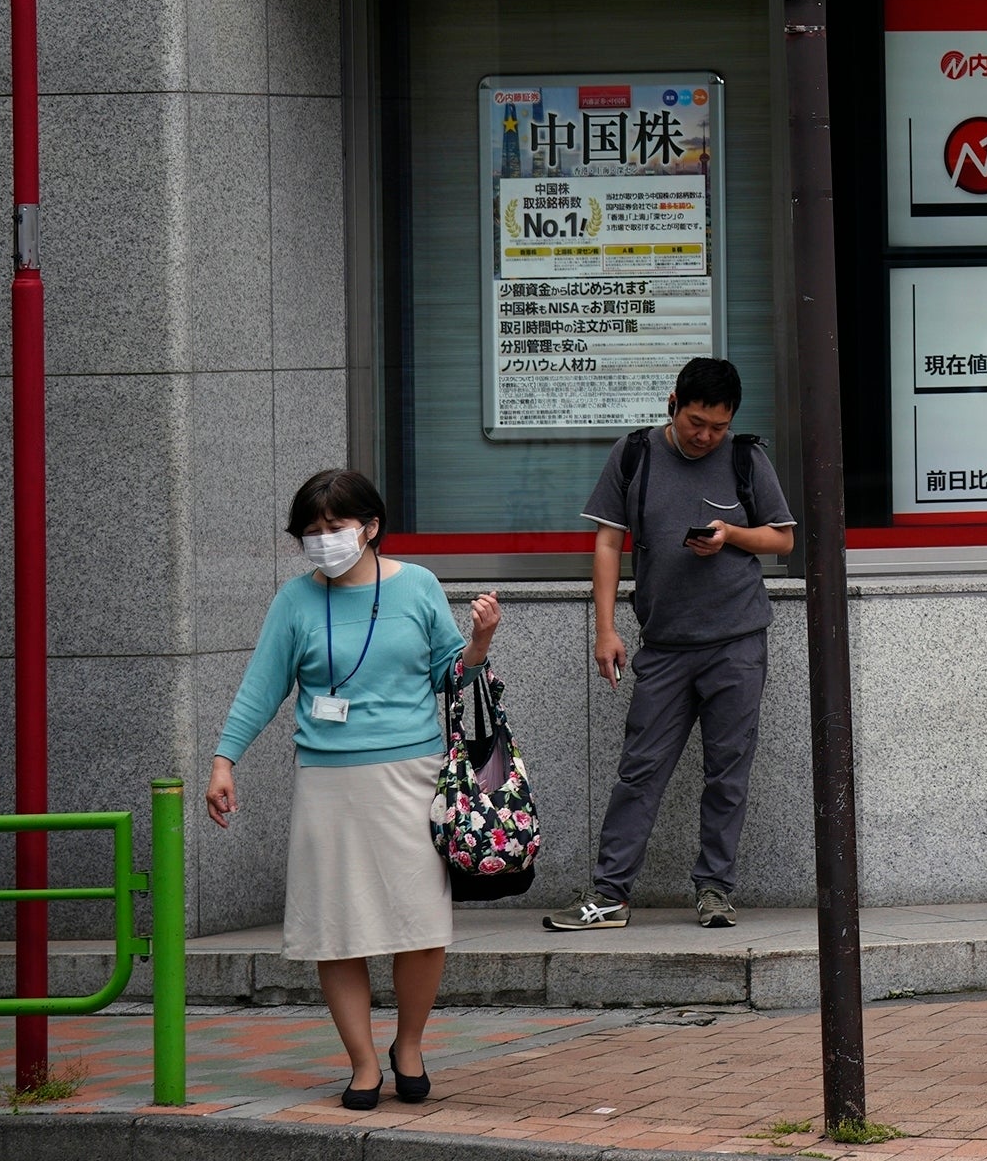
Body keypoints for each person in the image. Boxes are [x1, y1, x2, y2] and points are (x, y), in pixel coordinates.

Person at [209, 469, 499, 1110]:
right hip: (328, 781)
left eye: (334, 528)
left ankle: (411, 1045)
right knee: (338, 927)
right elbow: (263, 686)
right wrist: (225, 758)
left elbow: (449, 672)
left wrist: (478, 641)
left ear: (369, 527)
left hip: (412, 775)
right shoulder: (294, 601)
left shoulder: (418, 585)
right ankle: (363, 1062)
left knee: (420, 923)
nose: (323, 541)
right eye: (310, 532)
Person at [547, 357, 795, 933]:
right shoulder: (634, 454)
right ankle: (610, 894)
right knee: (640, 768)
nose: (706, 436)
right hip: (663, 644)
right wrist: (605, 629)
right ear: (672, 403)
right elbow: (609, 543)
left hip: (736, 641)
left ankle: (715, 889)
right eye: (696, 422)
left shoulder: (745, 457)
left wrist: (731, 535)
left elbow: (781, 540)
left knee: (728, 772)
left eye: (718, 426)